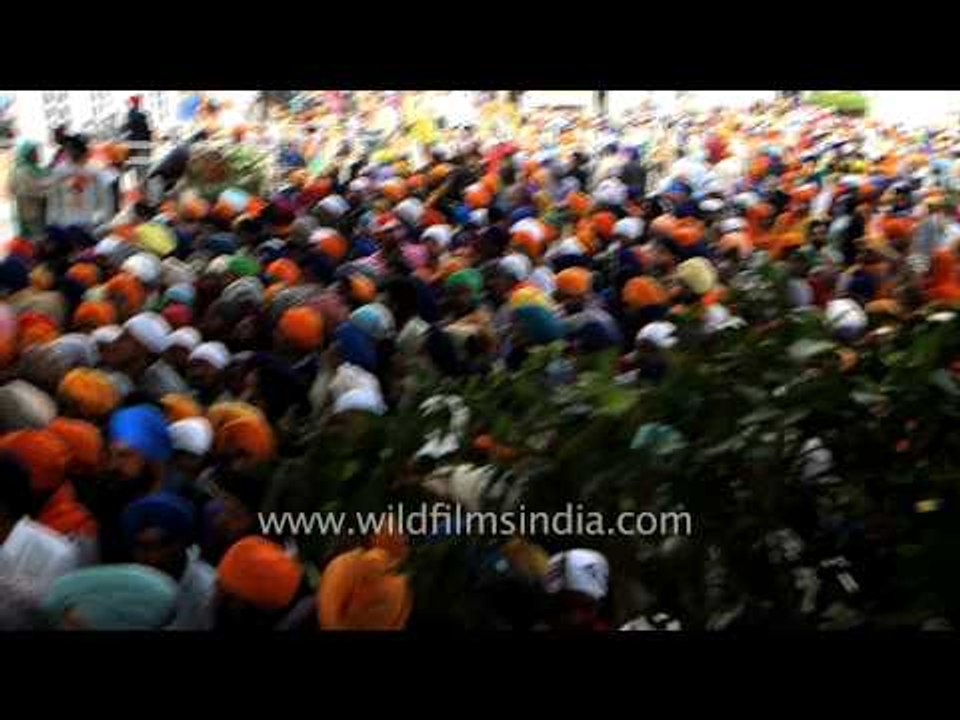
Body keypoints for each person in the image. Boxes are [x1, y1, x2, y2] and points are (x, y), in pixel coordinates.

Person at [8, 141, 51, 241]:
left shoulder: (35, 169)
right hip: (31, 211)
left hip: (34, 210)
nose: (38, 155)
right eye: (35, 152)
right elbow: (32, 190)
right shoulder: (23, 171)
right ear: (28, 155)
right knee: (35, 239)